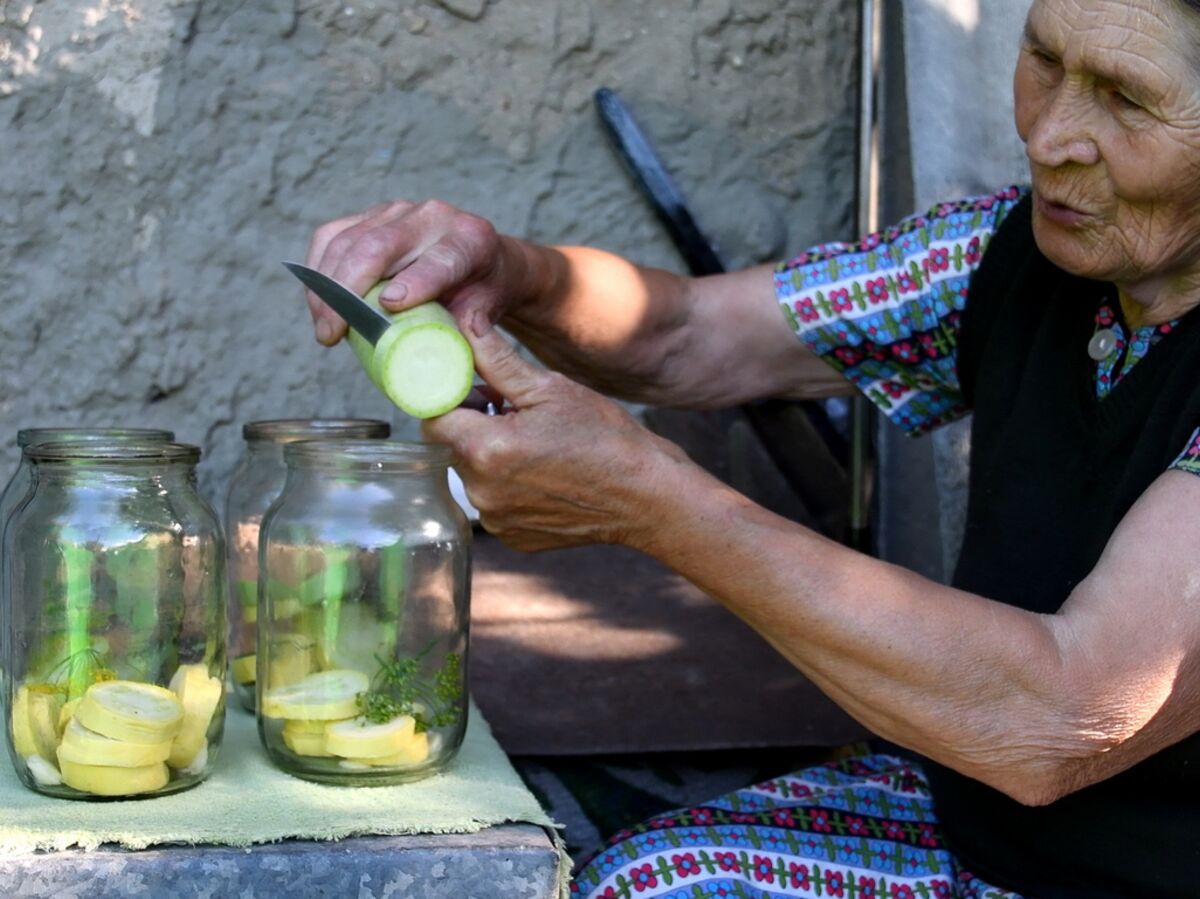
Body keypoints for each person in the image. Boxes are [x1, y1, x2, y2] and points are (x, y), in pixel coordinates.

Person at [299, 0, 1200, 895]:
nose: (1051, 137)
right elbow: (687, 334)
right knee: (643, 882)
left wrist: (652, 500)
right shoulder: (1008, 256)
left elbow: (1066, 717)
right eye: (1044, 60)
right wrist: (510, 273)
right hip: (976, 829)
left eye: (1125, 99)